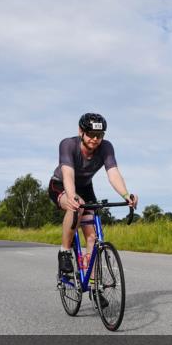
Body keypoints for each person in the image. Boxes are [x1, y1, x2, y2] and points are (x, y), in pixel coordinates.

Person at [49, 113, 138, 283]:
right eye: (90, 134)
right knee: (78, 205)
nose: (95, 139)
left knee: (93, 238)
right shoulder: (68, 144)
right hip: (60, 184)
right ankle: (65, 252)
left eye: (99, 135)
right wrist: (72, 195)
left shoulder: (106, 147)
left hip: (85, 187)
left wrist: (126, 195)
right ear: (80, 131)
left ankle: (93, 282)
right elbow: (68, 174)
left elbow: (113, 174)